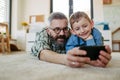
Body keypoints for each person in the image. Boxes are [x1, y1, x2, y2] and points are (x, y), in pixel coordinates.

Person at [31, 12, 111, 68]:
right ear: (49, 30)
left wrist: (97, 56)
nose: (62, 33)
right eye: (57, 29)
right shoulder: (44, 32)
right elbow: (43, 53)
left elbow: (98, 45)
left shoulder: (73, 33)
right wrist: (66, 59)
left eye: (65, 28)